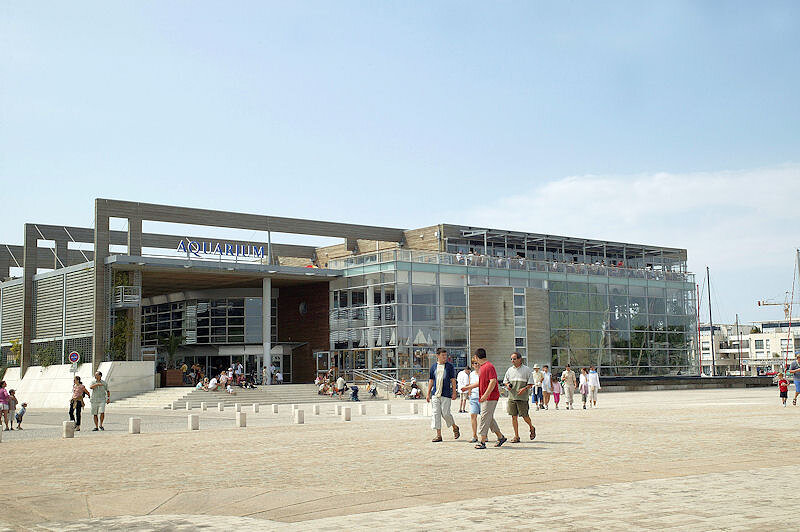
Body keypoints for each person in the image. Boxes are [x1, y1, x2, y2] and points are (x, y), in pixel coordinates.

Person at [461, 348, 506, 449]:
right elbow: (480, 383)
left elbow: (493, 381)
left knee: (484, 418)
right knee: (488, 418)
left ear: (476, 357)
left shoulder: (489, 366)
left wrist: (485, 395)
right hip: (486, 397)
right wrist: (468, 387)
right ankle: (500, 437)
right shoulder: (482, 367)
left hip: (490, 397)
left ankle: (482, 441)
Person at [426, 348, 460, 443]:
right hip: (435, 394)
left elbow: (453, 380)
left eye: (446, 355)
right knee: (436, 413)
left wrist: (454, 392)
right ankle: (438, 435)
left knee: (446, 413)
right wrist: (428, 394)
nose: (445, 357)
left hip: (446, 394)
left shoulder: (449, 366)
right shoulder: (433, 367)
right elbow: (431, 380)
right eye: (443, 355)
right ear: (438, 356)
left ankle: (454, 427)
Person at [502, 352, 536, 443]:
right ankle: (516, 436)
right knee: (514, 417)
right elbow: (505, 381)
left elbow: (531, 384)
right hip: (512, 397)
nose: (512, 361)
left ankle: (531, 427)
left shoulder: (527, 370)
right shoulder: (509, 370)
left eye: (514, 359)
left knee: (525, 416)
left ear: (520, 359)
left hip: (522, 397)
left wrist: (524, 389)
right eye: (511, 359)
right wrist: (507, 385)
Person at [466, 357, 481, 442]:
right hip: (474, 397)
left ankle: (484, 434)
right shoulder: (471, 374)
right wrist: (469, 394)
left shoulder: (483, 372)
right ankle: (474, 435)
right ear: (472, 365)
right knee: (473, 415)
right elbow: (469, 385)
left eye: (478, 363)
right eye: (475, 363)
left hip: (483, 397)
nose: (477, 365)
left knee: (484, 417)